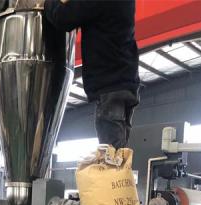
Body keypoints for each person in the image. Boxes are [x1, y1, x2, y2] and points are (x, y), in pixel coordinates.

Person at [43, 0, 140, 148]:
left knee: (110, 153)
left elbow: (63, 17)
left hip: (110, 83)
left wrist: (48, 2)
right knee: (119, 150)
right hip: (127, 81)